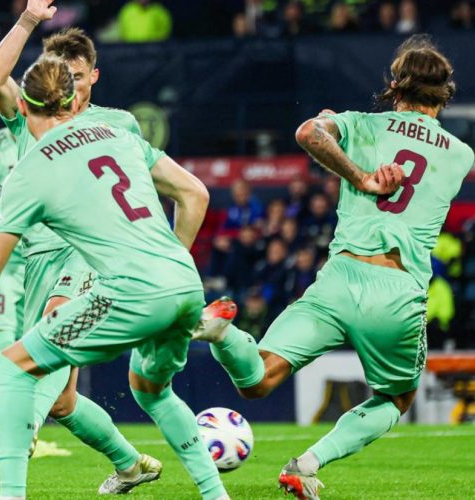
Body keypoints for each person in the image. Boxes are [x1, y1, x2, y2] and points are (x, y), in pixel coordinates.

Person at [0, 56, 229, 500]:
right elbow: (195, 192)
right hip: (184, 281)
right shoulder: (118, 134)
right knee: (151, 391)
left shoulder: (33, 168)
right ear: (71, 99)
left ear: (23, 106)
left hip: (127, 292)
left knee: (15, 365)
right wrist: (170, 265)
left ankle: (12, 491)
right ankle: (206, 491)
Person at [192, 35, 474, 499]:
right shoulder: (461, 154)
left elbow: (309, 134)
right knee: (397, 398)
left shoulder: (360, 123)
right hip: (396, 289)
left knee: (258, 378)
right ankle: (305, 465)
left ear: (393, 86)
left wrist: (357, 169)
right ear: (445, 93)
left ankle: (224, 335)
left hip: (339, 279)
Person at [0, 1, 156, 492]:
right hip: (37, 258)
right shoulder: (29, 118)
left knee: (51, 332)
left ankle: (20, 418)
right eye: (60, 77)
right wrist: (28, 20)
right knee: (64, 399)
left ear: (93, 76)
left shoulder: (117, 124)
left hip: (87, 252)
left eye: (76, 77)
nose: (69, 87)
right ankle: (131, 464)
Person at [0, 129, 67, 459]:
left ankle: (23, 430)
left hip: (39, 263)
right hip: (2, 268)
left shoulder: (50, 140)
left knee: (36, 348)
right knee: (1, 343)